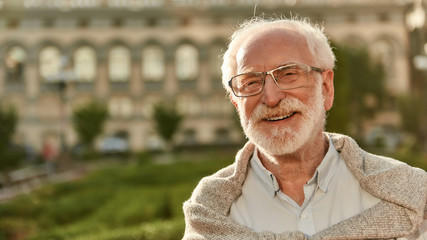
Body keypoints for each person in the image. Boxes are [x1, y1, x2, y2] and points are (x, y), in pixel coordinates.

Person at [182, 17, 427, 239]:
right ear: (237, 104)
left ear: (327, 88)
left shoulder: (410, 194)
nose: (271, 97)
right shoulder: (209, 210)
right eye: (251, 82)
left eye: (288, 73)